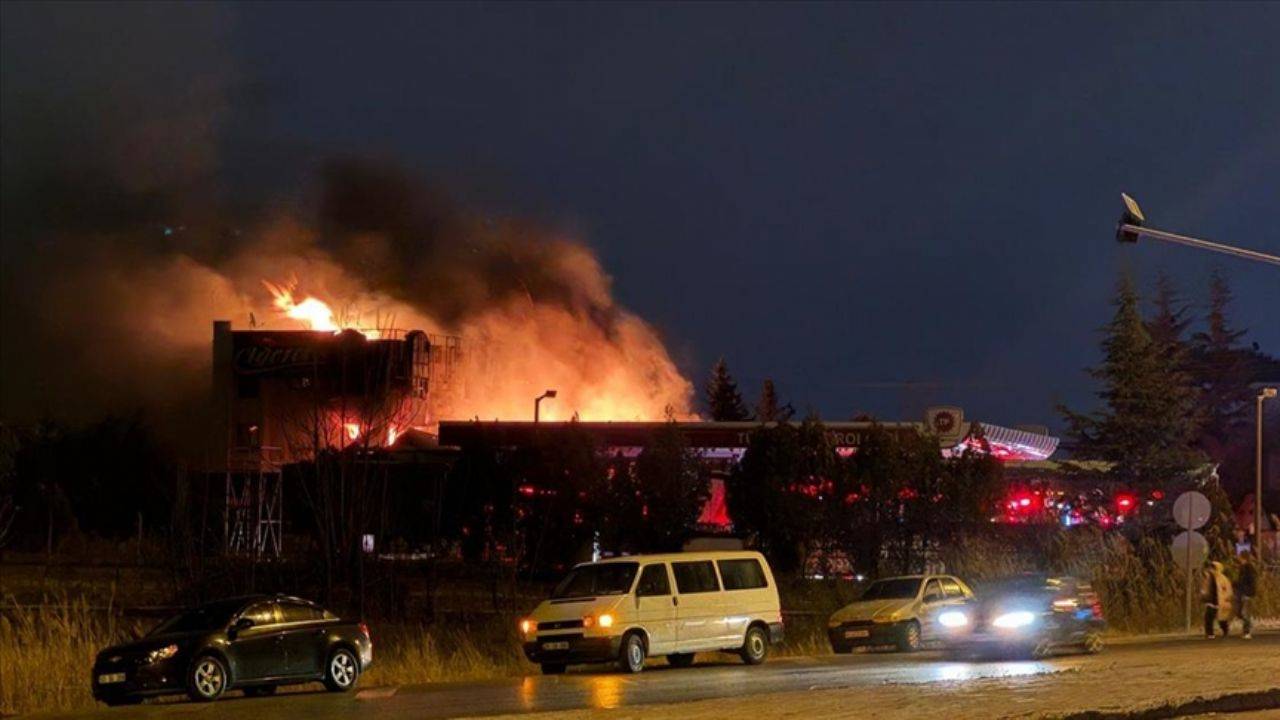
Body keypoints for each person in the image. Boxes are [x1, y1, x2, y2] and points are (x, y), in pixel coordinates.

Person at [1200, 560, 1235, 638]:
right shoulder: (1209, 578)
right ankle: (1210, 633)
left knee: (1221, 619)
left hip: (1221, 601)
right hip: (1211, 601)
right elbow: (1206, 588)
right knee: (1209, 617)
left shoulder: (1223, 579)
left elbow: (1228, 590)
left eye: (1213, 568)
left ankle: (1225, 630)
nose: (1211, 570)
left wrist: (1226, 598)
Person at [1236, 552, 1257, 640]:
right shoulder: (1243, 568)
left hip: (1246, 593)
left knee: (1245, 613)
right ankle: (1248, 627)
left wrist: (1247, 592)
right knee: (1241, 612)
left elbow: (1249, 582)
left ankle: (1247, 631)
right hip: (1243, 593)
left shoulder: (1248, 568)